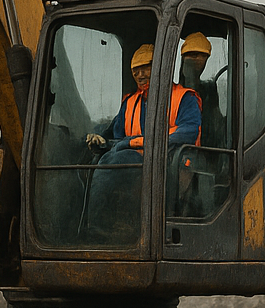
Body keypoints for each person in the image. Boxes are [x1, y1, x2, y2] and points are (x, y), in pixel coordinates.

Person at [83, 44, 201, 235]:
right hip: (137, 170)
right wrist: (99, 139)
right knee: (97, 160)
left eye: (145, 67)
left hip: (170, 168)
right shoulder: (130, 102)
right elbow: (114, 133)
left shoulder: (184, 98)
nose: (140, 74)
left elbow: (188, 132)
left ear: (160, 66)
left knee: (117, 160)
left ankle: (95, 227)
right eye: (135, 70)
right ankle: (101, 226)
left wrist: (133, 142)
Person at [177, 31, 224, 148]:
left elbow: (216, 126)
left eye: (202, 56)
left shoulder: (209, 91)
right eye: (192, 55)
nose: (196, 60)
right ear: (183, 58)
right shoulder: (172, 94)